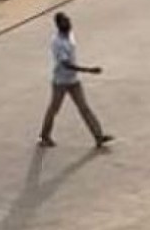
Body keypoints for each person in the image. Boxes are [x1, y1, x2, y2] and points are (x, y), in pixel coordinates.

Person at [39, 12, 112, 148]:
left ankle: (98, 136)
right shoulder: (57, 43)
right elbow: (66, 64)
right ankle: (44, 135)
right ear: (59, 25)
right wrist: (88, 70)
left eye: (69, 21)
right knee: (54, 109)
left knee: (84, 108)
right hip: (60, 82)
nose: (69, 24)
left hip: (73, 81)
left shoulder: (69, 34)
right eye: (65, 22)